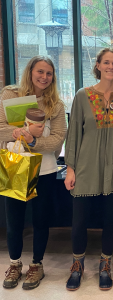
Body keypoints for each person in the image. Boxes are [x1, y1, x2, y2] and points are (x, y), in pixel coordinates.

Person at [64, 47, 113, 291]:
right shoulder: (81, 95)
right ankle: (77, 265)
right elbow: (74, 133)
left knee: (111, 220)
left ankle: (105, 264)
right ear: (97, 65)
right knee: (79, 221)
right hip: (86, 165)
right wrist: (70, 168)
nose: (111, 66)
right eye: (106, 62)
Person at [0, 55, 67, 290]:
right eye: (40, 71)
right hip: (15, 166)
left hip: (45, 170)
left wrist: (34, 140)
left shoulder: (56, 105)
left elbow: (58, 139)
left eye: (49, 73)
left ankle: (37, 266)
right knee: (14, 220)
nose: (44, 77)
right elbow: (0, 129)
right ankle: (15, 264)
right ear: (30, 72)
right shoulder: (11, 95)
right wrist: (18, 133)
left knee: (40, 220)